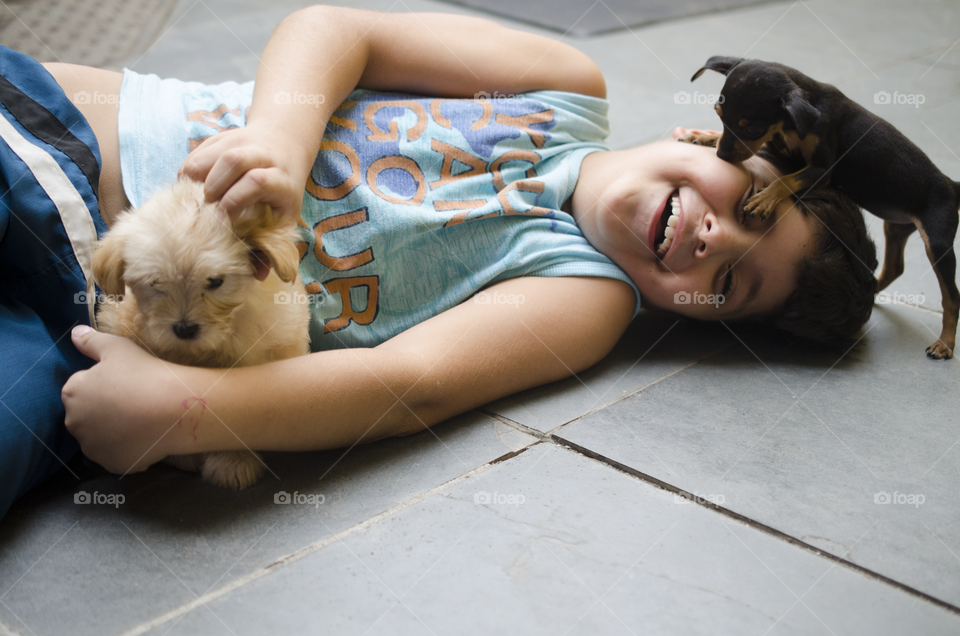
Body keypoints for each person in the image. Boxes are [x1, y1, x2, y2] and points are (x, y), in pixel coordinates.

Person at [1, 5, 876, 517]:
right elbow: (344, 29)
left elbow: (406, 382)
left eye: (729, 284)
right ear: (714, 137)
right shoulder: (564, 89)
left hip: (97, 342)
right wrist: (279, 136)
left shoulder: (585, 298)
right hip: (70, 143)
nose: (714, 239)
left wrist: (193, 408)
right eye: (748, 203)